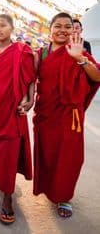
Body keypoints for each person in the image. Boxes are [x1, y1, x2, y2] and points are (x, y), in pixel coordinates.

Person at [33, 12, 100, 218]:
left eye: (67, 26)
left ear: (74, 30)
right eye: (58, 26)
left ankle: (64, 196)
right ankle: (49, 188)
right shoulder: (42, 53)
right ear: (50, 29)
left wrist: (79, 58)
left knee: (69, 158)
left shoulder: (78, 51)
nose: (62, 30)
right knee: (48, 154)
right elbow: (30, 80)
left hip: (70, 116)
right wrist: (26, 100)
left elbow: (97, 76)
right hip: (46, 114)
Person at [0, 14, 36, 225]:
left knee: (9, 151)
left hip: (12, 109)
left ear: (12, 28)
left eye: (2, 25)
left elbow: (30, 78)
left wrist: (30, 100)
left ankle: (7, 196)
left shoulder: (22, 50)